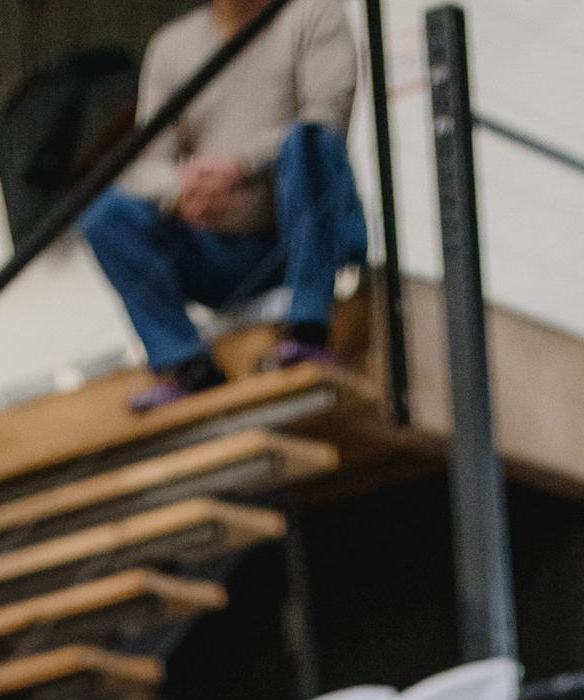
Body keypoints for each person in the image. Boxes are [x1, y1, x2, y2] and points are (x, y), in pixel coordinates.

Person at [80, 0, 369, 410]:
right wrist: (182, 190)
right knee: (104, 214)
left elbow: (328, 117)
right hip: (220, 254)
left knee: (309, 142)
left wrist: (238, 167)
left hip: (305, 240)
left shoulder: (314, 12)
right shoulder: (171, 46)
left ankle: (307, 328)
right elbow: (145, 164)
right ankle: (186, 364)